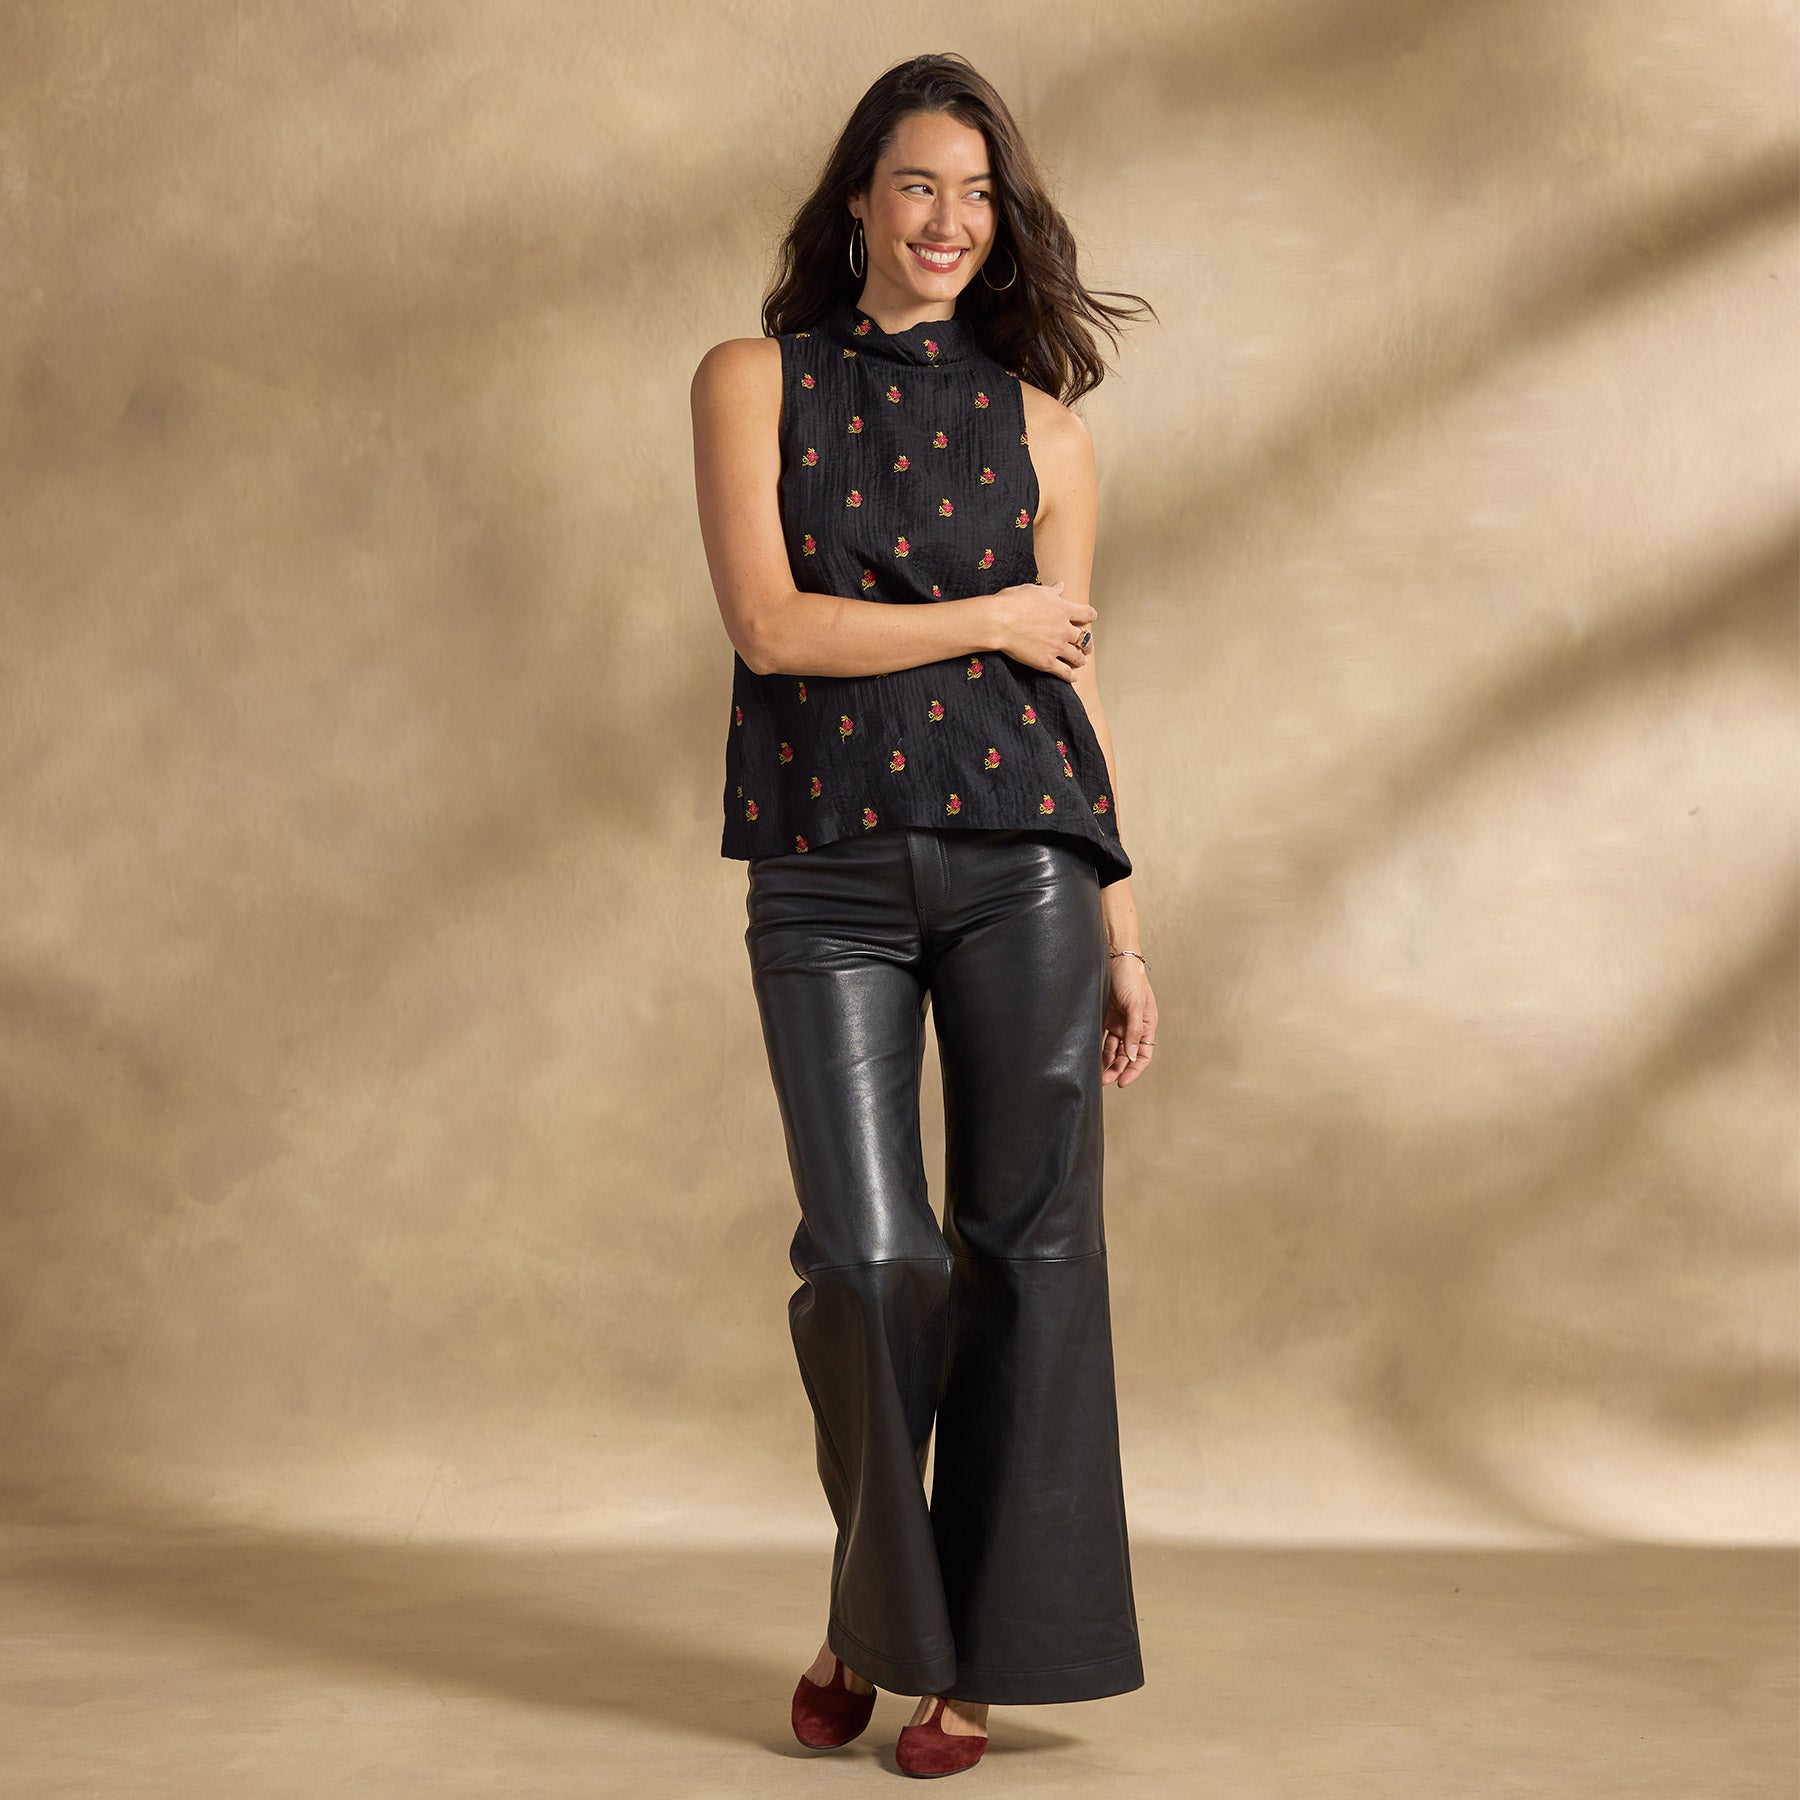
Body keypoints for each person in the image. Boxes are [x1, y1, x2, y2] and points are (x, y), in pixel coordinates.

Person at [690, 51, 1159, 1779]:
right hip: (822, 869)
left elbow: (1076, 686)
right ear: (858, 204)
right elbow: (771, 627)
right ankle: (880, 1607)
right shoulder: (754, 379)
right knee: (872, 1259)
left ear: (1001, 223)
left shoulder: (1049, 433)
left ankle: (946, 1661)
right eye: (917, 186)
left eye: (977, 195)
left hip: (1029, 863)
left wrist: (1125, 932)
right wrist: (991, 616)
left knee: (1033, 1254)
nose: (948, 222)